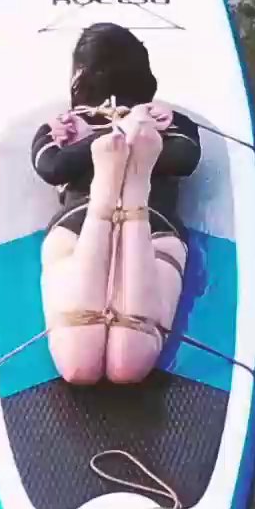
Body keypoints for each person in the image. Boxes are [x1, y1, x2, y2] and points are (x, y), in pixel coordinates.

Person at [31, 23, 201, 385]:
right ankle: (128, 185)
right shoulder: (157, 125)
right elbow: (51, 167)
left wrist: (100, 138)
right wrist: (124, 134)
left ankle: (112, 191)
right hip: (151, 227)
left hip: (82, 228)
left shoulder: (164, 122)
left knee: (79, 365)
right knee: (128, 363)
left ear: (77, 79)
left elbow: (185, 158)